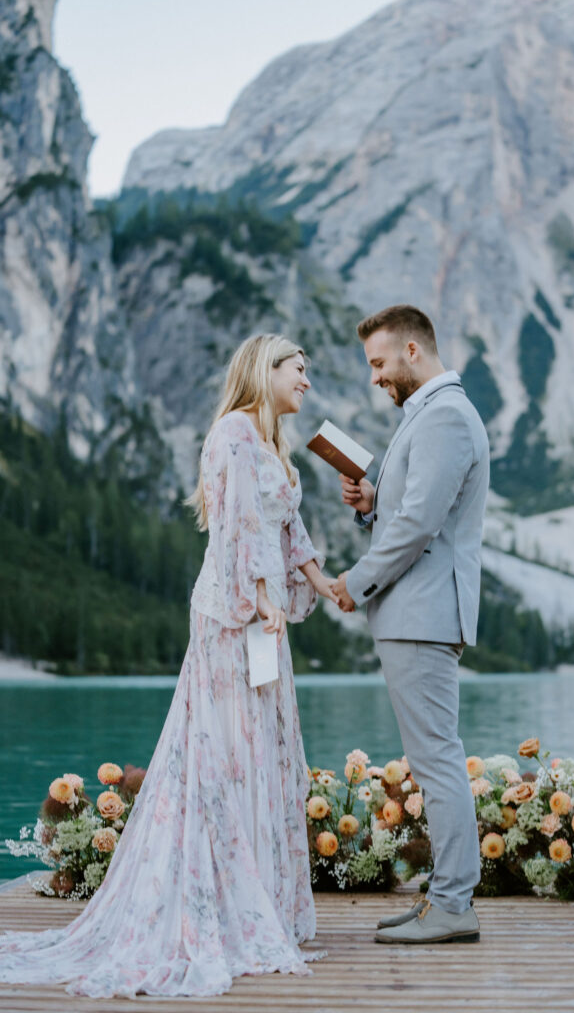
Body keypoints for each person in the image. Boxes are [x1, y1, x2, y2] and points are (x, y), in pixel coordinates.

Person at [0, 334, 336, 997]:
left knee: (262, 753)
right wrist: (262, 598)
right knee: (225, 753)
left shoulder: (275, 445)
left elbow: (288, 532)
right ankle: (216, 905)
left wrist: (325, 588)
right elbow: (235, 527)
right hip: (231, 617)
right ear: (262, 372)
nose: (306, 381)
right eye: (297, 370)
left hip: (263, 621)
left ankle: (260, 899)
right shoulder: (232, 433)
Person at [332, 304, 489, 944]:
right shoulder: (428, 415)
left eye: (379, 362)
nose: (374, 377)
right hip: (416, 610)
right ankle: (444, 899)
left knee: (437, 760)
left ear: (413, 353)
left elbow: (422, 524)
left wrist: (356, 580)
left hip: (422, 613)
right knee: (432, 759)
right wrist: (373, 504)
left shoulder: (445, 416)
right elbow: (416, 512)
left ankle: (453, 905)